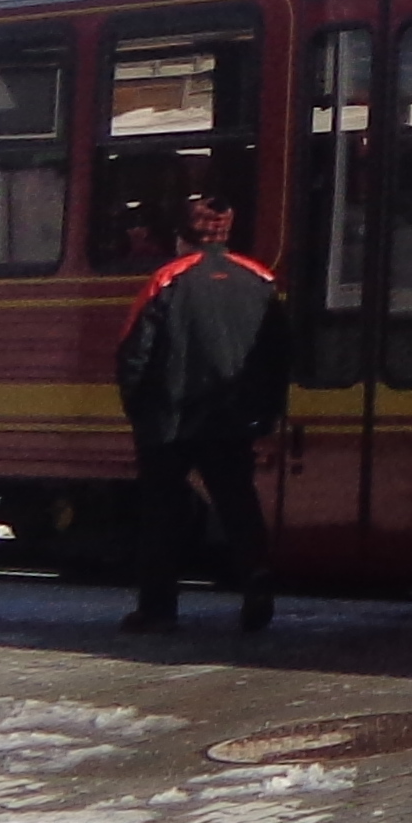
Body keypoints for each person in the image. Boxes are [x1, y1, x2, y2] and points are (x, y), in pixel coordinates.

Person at [115, 190, 290, 634]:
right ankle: (256, 583)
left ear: (182, 237)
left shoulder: (166, 281)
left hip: (170, 421)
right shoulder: (261, 280)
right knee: (238, 503)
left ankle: (157, 608)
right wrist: (264, 414)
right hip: (233, 419)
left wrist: (140, 412)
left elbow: (134, 353)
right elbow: (278, 356)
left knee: (162, 514)